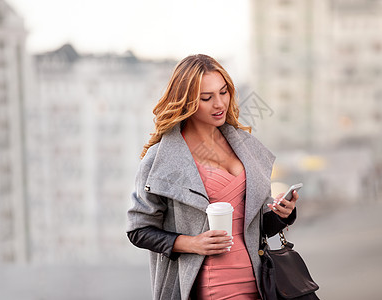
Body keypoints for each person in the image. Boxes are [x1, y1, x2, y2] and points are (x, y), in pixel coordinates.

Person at [126, 54, 299, 300]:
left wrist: (282, 213)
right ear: (185, 102)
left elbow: (256, 227)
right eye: (207, 98)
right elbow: (138, 229)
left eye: (223, 92)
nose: (219, 104)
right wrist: (192, 243)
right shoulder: (161, 159)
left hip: (260, 284)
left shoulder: (245, 146)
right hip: (211, 286)